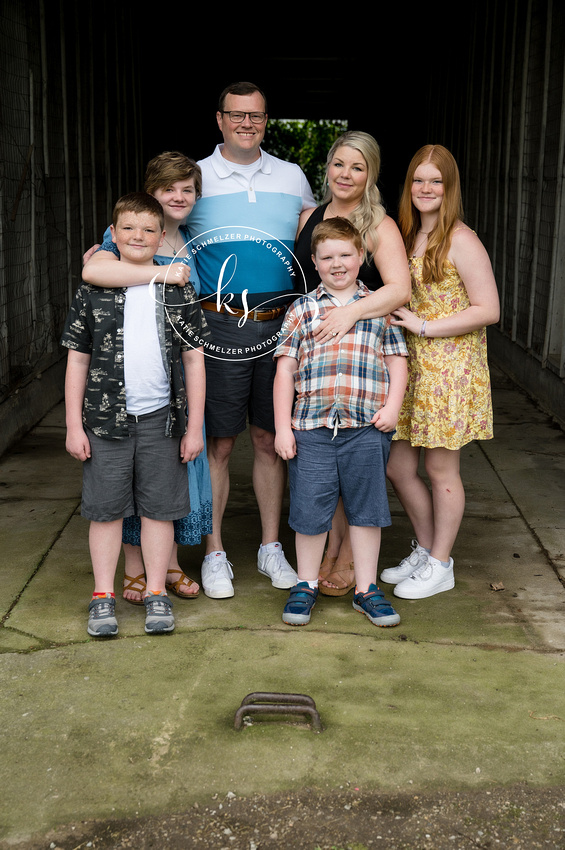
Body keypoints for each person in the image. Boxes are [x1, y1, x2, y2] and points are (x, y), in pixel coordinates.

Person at [185, 81, 317, 599]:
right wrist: (105, 247)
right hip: (217, 321)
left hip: (280, 320)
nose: (247, 124)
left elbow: (319, 231)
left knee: (269, 438)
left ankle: (269, 547)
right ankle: (214, 552)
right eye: (237, 115)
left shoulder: (291, 176)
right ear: (218, 119)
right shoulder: (196, 177)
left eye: (256, 116)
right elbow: (158, 223)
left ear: (266, 121)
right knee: (219, 442)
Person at [62, 192, 210, 636]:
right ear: (113, 234)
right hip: (105, 422)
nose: (139, 237)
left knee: (159, 510)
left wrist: (195, 427)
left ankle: (156, 594)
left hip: (163, 421)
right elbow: (77, 360)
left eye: (148, 229)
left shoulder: (177, 289)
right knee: (105, 511)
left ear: (162, 236)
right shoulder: (94, 288)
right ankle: (103, 595)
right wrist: (73, 424)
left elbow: (194, 361)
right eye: (128, 228)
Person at [293, 130, 411, 596]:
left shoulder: (378, 224)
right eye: (339, 164)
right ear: (327, 168)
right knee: (320, 452)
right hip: (314, 351)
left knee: (353, 458)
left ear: (371, 174)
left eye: (357, 167)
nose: (346, 174)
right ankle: (326, 545)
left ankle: (343, 554)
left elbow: (399, 288)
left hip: (363, 347)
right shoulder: (309, 216)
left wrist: (350, 313)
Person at [273, 217, 408, 627]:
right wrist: (282, 426)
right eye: (327, 256)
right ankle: (306, 583)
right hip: (311, 428)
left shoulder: (379, 307)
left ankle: (366, 589)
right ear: (313, 261)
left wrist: (392, 408)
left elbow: (397, 363)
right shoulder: (301, 309)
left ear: (361, 256)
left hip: (366, 427)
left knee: (366, 511)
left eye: (346, 254)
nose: (337, 263)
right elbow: (285, 371)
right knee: (309, 511)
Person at [381, 144, 500, 599]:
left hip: (450, 367)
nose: (425, 189)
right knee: (398, 465)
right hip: (412, 366)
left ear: (449, 188)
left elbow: (488, 309)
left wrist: (426, 325)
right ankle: (428, 548)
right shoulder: (409, 234)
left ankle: (441, 563)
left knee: (440, 466)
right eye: (418, 180)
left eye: (435, 181)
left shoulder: (461, 239)